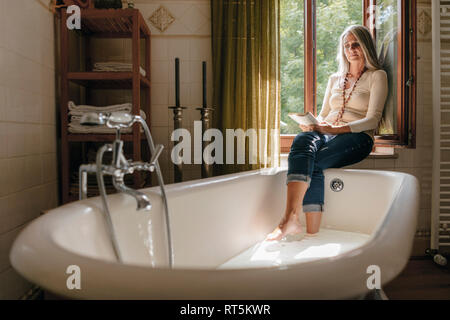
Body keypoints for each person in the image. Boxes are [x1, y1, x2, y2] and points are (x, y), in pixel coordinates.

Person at [266, 25, 388, 241]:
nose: (351, 49)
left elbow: (373, 119)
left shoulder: (377, 76)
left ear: (366, 46)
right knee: (302, 139)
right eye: (346, 45)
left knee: (313, 162)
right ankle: (301, 226)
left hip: (357, 138)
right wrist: (313, 124)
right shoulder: (335, 78)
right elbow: (324, 115)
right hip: (327, 132)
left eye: (356, 44)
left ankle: (292, 221)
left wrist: (336, 129)